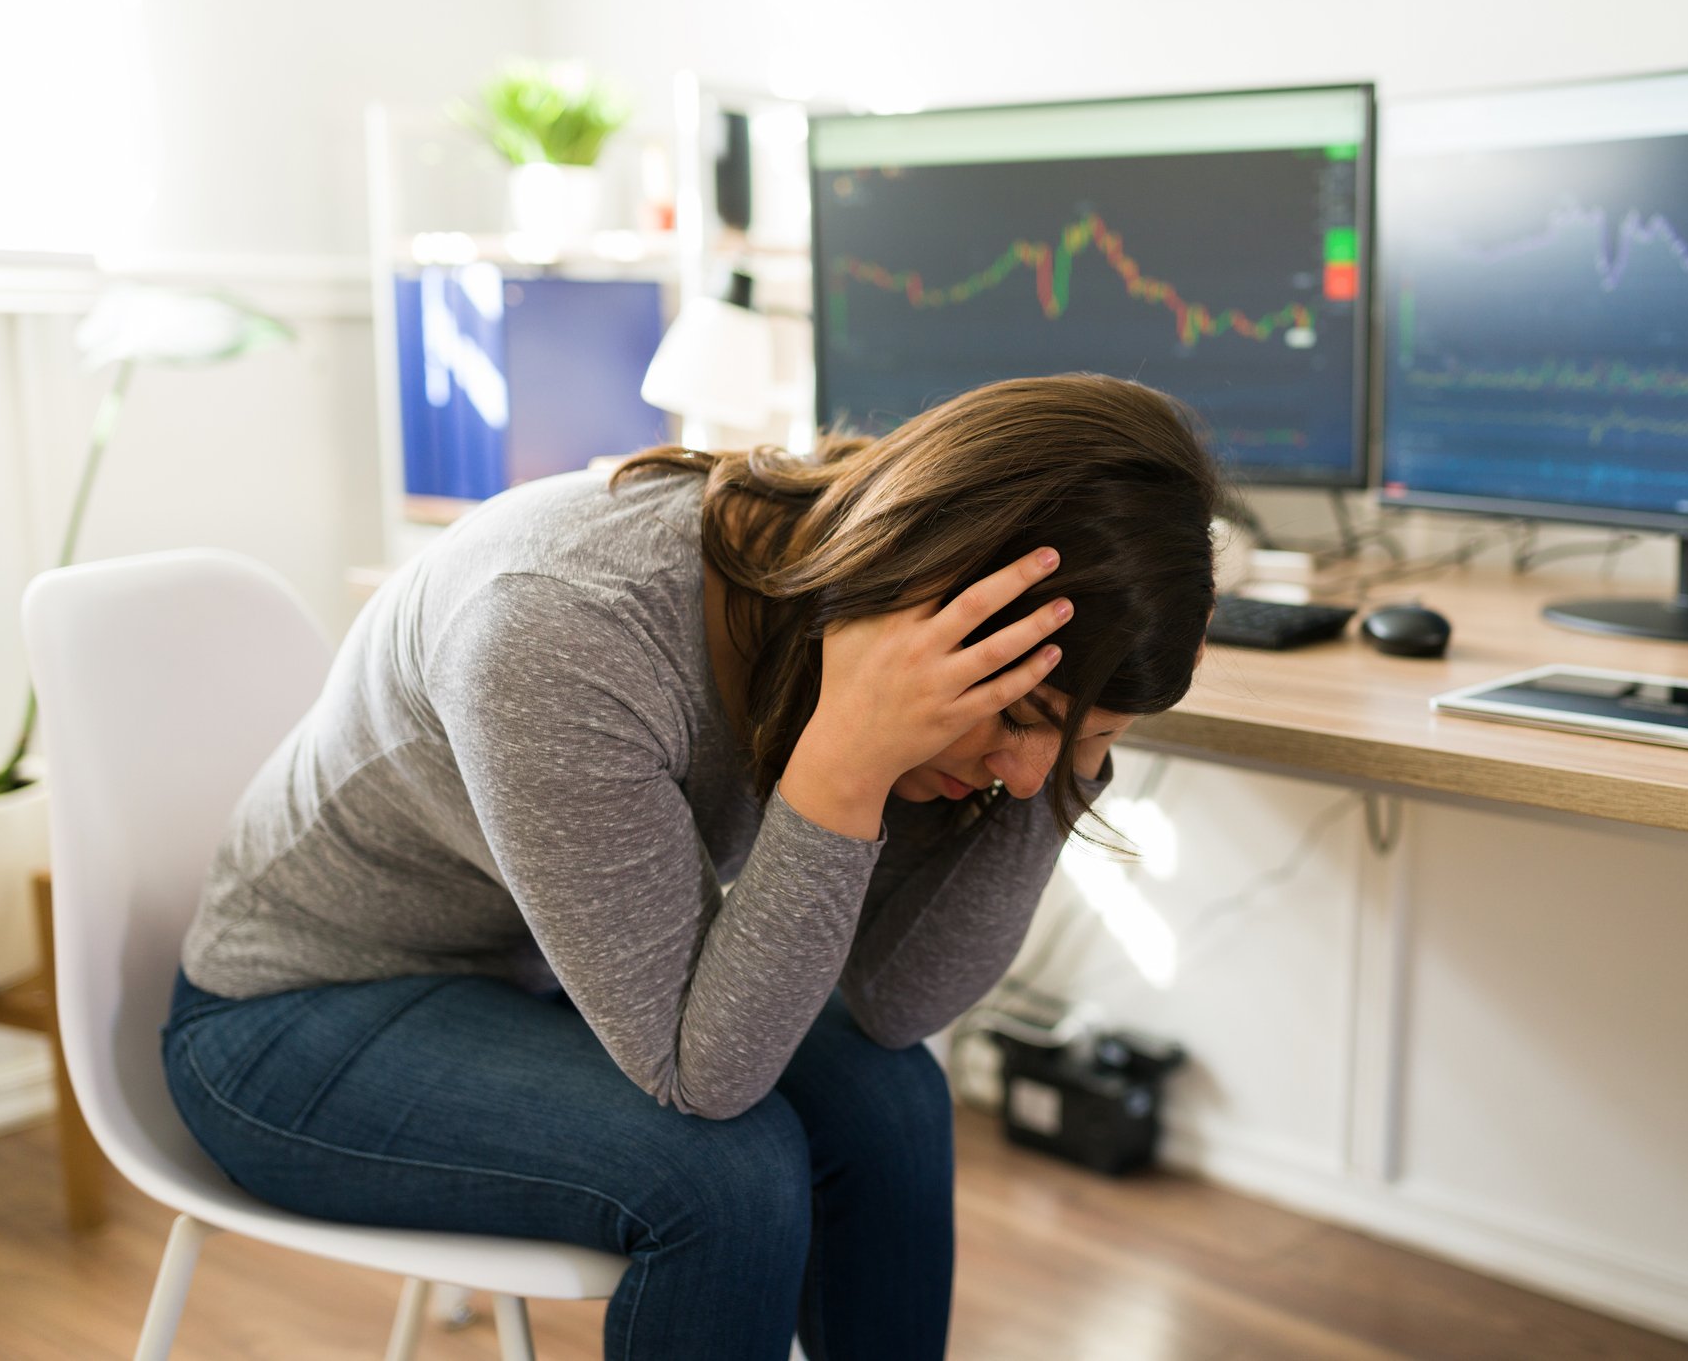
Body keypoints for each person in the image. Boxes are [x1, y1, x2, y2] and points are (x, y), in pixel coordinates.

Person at [159, 372, 1222, 1360]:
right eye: (1025, 715)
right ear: (928, 596)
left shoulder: (881, 623)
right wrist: (843, 763)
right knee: (723, 1178)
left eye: (1083, 740)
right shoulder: (558, 627)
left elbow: (897, 1004)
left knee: (891, 1096)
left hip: (534, 984)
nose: (1030, 777)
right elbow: (701, 1080)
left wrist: (1062, 748)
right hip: (292, 1019)